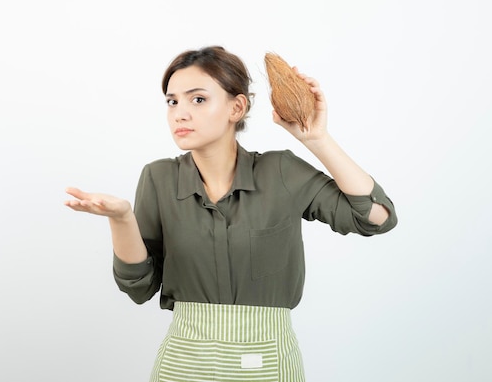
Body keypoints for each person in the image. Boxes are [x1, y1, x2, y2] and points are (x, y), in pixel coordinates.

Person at [64, 46, 397, 381]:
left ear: (237, 107)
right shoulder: (158, 178)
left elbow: (376, 217)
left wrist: (317, 139)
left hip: (268, 363)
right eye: (172, 101)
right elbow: (139, 288)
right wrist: (121, 218)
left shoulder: (280, 171)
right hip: (184, 365)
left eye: (197, 99)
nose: (180, 113)